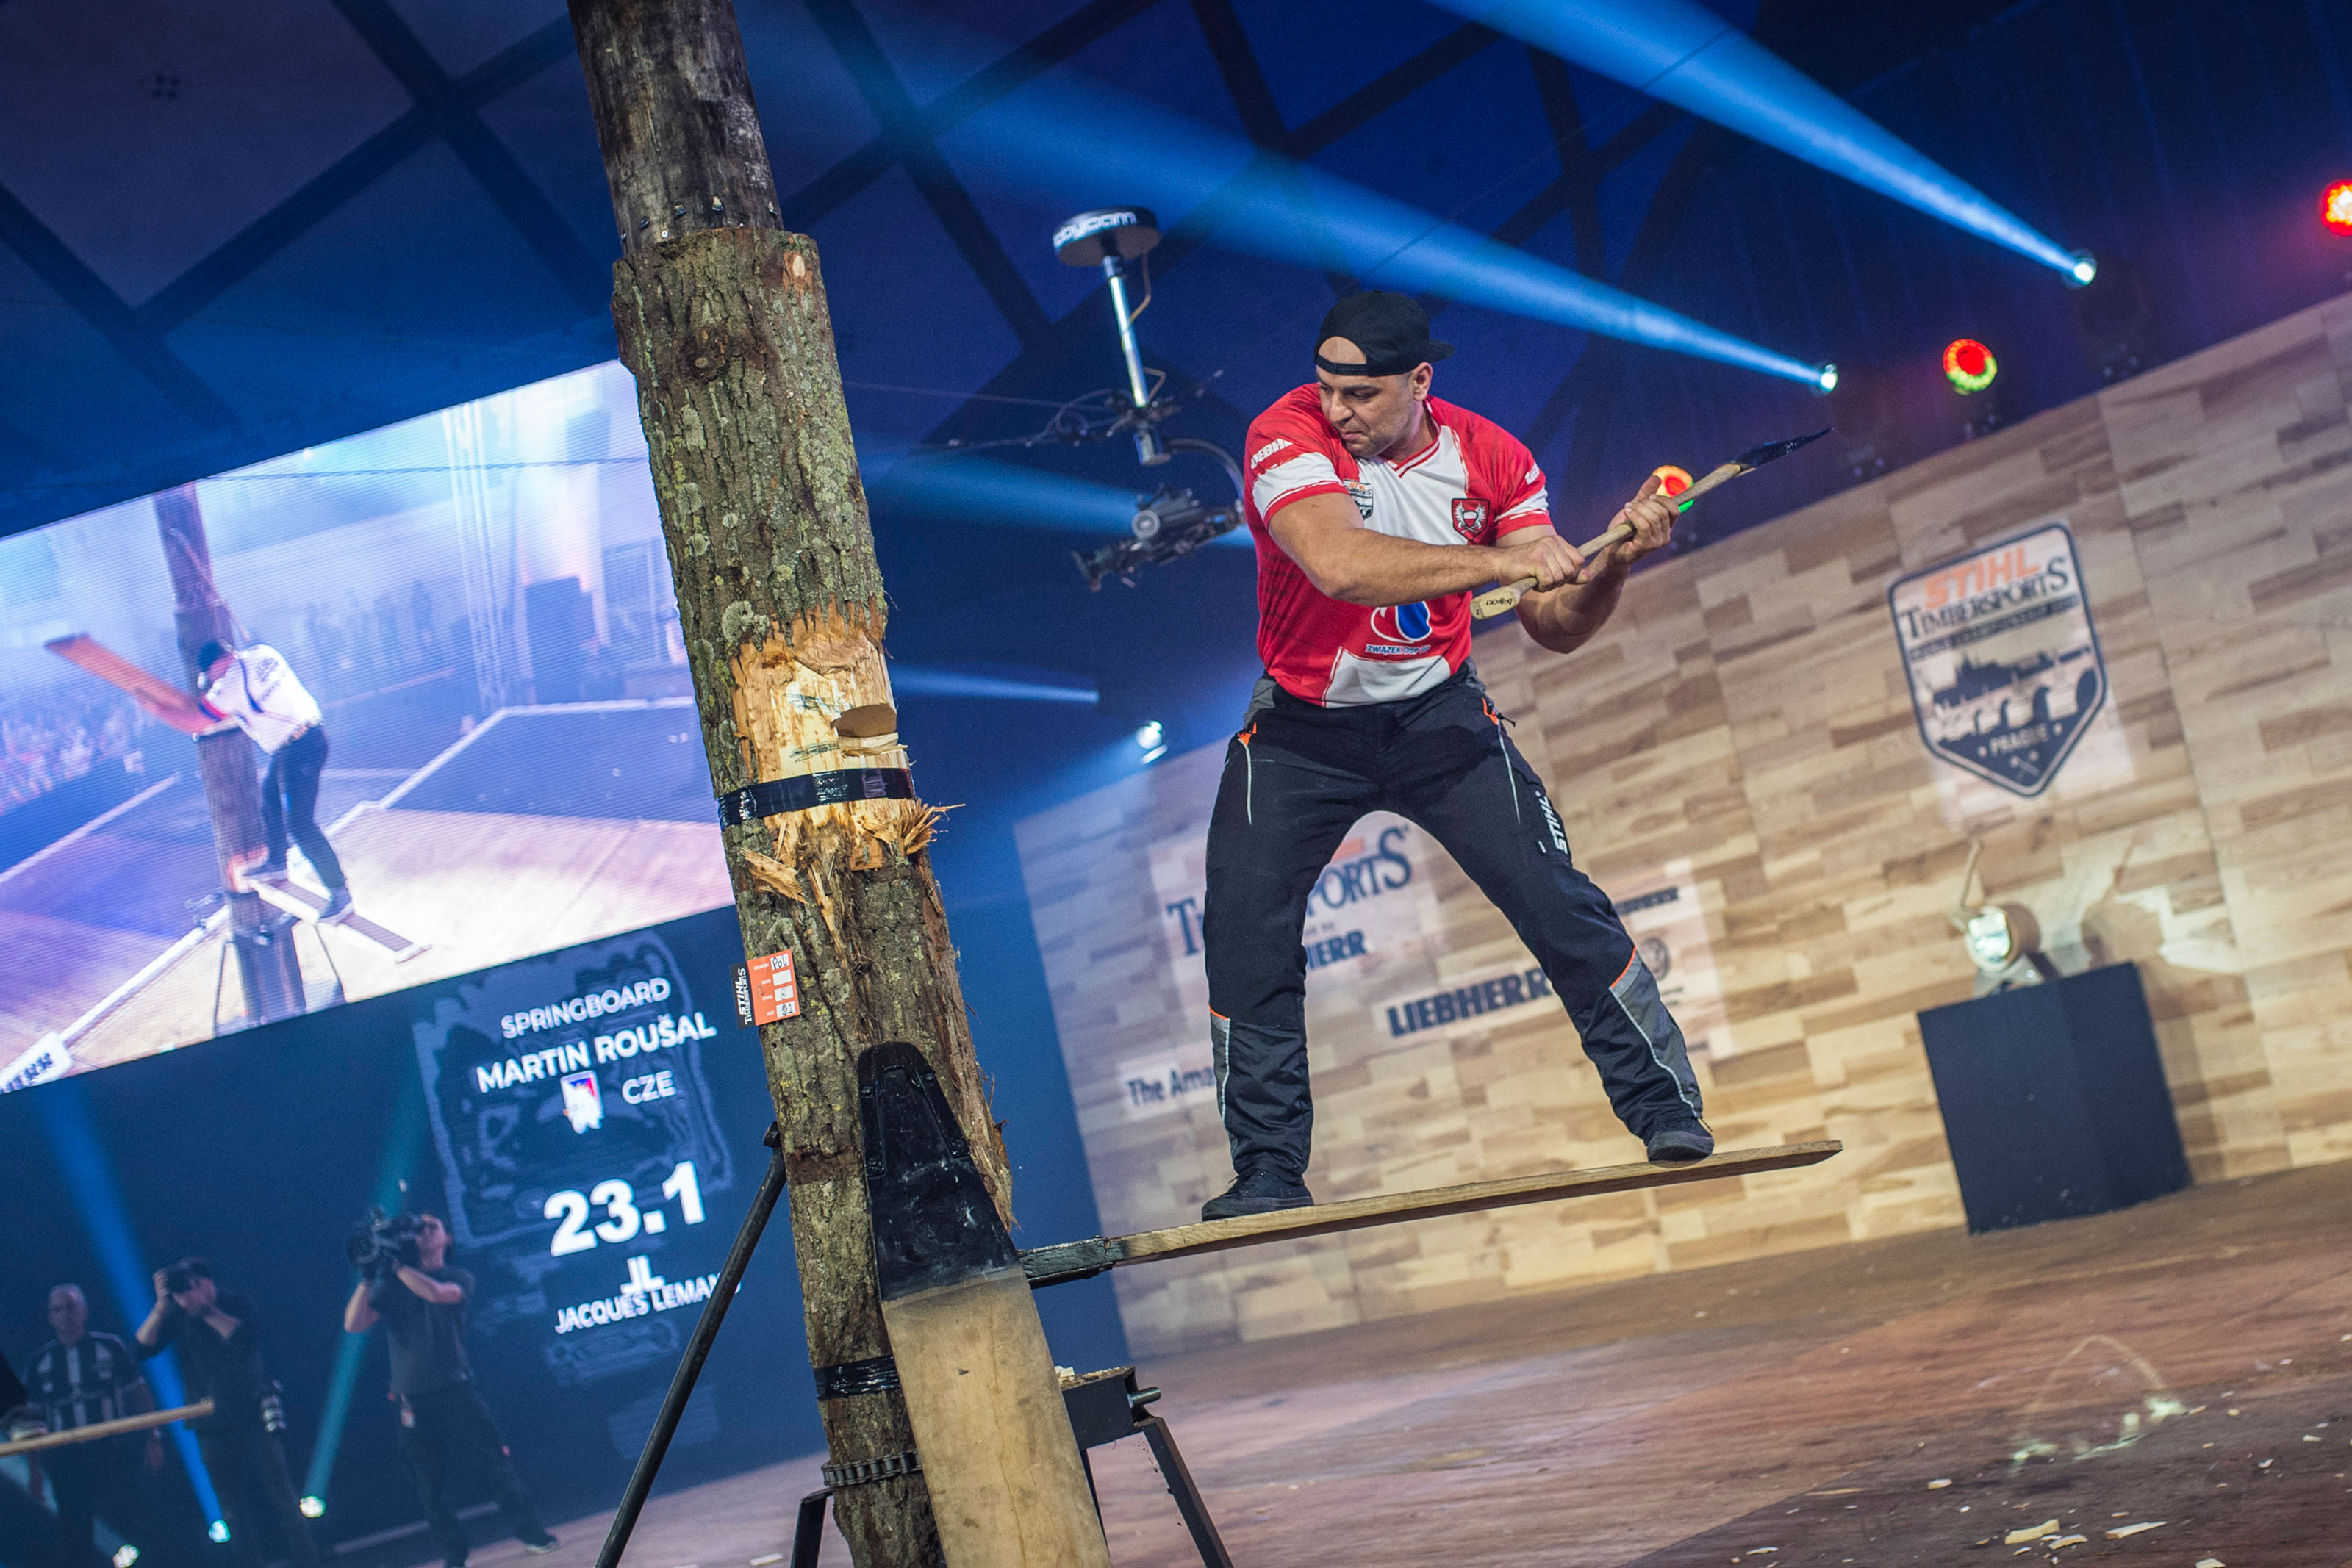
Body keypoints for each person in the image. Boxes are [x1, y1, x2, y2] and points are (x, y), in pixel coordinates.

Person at [1198, 290, 1710, 1220]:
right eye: (1329, 389)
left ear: (1419, 381)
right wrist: (1504, 563)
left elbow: (1553, 626)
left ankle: (1664, 1107)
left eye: (1361, 394)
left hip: (1439, 717)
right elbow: (1339, 565)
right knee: (1243, 927)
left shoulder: (1495, 459)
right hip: (1303, 729)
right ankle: (1267, 1167)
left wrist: (1613, 565)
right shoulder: (1286, 433)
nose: (1339, 411)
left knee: (1559, 904)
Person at [343, 1215, 556, 1568]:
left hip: (456, 1389)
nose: (424, 1232)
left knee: (494, 1466)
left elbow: (436, 1294)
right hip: (412, 1397)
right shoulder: (392, 1285)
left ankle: (531, 1533)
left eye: (432, 1227)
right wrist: (367, 1277)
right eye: (419, 1228)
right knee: (430, 1486)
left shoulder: (457, 1277)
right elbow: (353, 1324)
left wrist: (395, 1266)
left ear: (448, 1239)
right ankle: (455, 1556)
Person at [133, 1259, 318, 1568]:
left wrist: (205, 1310)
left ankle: (309, 1562)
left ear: (208, 1282)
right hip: (209, 1422)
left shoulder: (236, 1302)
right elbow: (139, 1350)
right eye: (184, 1287)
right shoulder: (178, 1317)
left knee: (281, 1495)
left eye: (193, 1284)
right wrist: (162, 1308)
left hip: (252, 1413)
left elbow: (244, 1339)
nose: (189, 1292)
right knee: (231, 1508)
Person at [192, 639, 351, 921]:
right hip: (304, 738)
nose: (213, 680)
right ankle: (277, 861)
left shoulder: (230, 685)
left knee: (301, 826)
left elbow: (199, 719)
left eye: (212, 675)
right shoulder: (264, 653)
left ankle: (340, 892)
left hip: (299, 747)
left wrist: (159, 709)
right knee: (269, 797)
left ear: (216, 665)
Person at [26, 1285, 163, 1568]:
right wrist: (34, 1470)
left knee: (136, 1523)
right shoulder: (40, 1362)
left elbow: (139, 1394)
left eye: (72, 1307)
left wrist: (154, 1438)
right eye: (58, 1309)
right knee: (75, 1536)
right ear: (50, 1317)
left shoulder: (110, 1347)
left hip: (112, 1453)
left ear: (85, 1312)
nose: (66, 1315)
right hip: (67, 1461)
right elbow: (33, 1421)